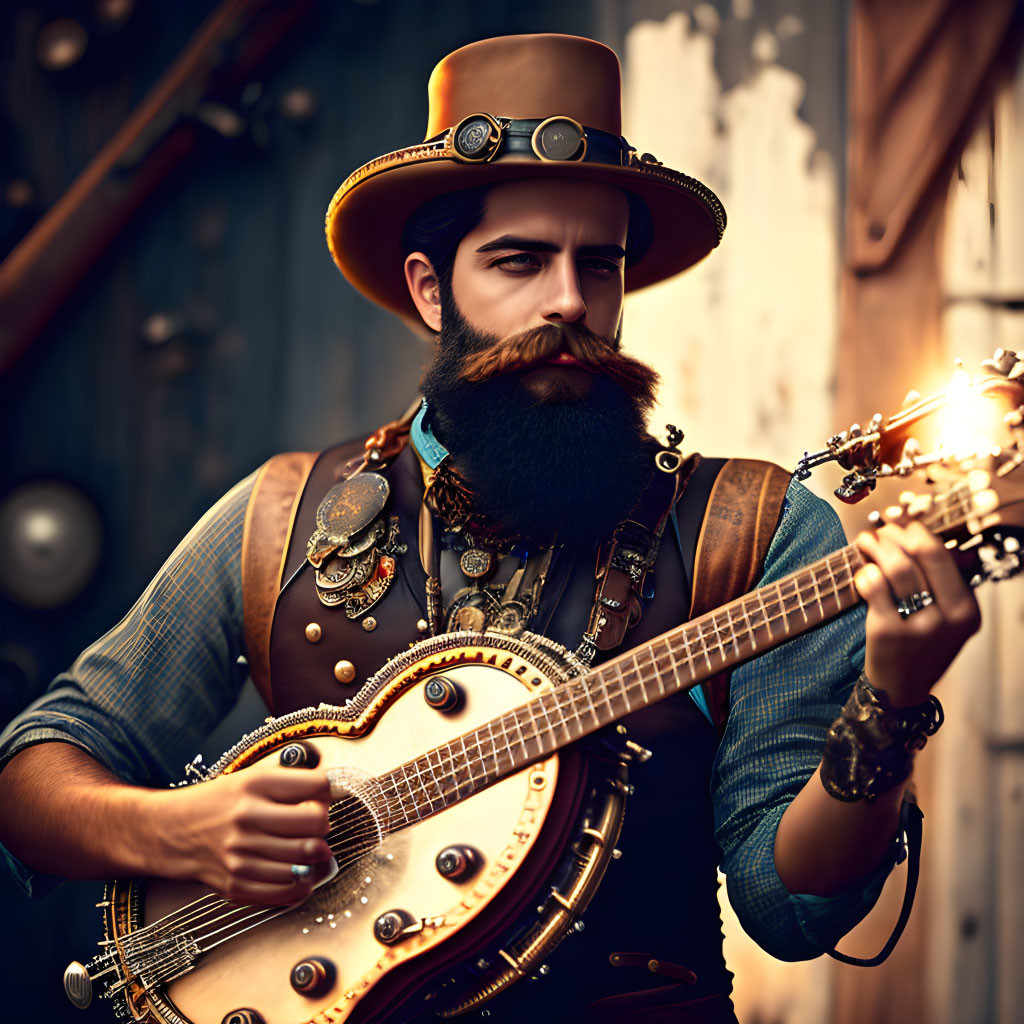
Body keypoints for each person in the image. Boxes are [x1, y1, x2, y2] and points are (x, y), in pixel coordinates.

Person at [0, 33, 981, 1024]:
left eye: (598, 266)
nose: (568, 301)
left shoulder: (756, 533)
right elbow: (32, 772)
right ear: (431, 288)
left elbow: (792, 909)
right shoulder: (279, 518)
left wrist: (889, 711)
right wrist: (172, 830)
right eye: (519, 260)